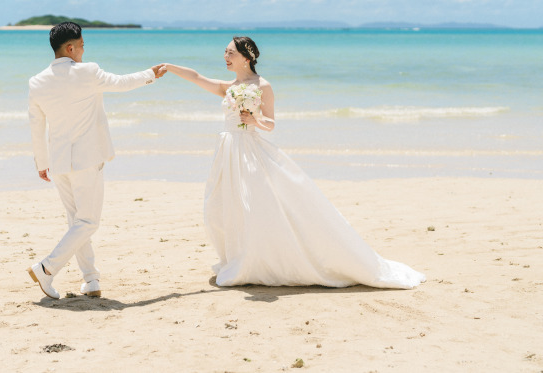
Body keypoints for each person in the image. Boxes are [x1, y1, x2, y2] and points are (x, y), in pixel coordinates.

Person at [164, 36, 425, 288]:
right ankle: (238, 258)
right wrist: (169, 67)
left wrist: (254, 120)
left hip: (249, 151)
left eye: (230, 52)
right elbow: (196, 77)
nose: (225, 56)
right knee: (220, 207)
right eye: (225, 52)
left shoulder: (263, 86)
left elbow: (271, 123)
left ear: (246, 57)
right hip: (228, 151)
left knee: (255, 206)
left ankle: (257, 261)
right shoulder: (228, 86)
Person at [27, 22, 166, 299]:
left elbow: (36, 125)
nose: (83, 51)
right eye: (81, 46)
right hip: (87, 160)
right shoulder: (88, 72)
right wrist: (150, 74)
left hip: (58, 162)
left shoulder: (37, 81)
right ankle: (47, 268)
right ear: (70, 48)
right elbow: (122, 83)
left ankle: (91, 279)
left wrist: (41, 162)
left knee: (76, 223)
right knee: (88, 222)